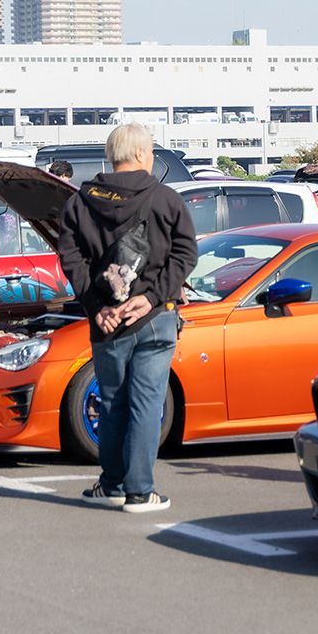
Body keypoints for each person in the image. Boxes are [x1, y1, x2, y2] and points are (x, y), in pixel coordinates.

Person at [59, 123, 198, 512]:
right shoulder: (166, 200)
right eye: (151, 152)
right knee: (146, 403)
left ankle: (113, 483)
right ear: (139, 154)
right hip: (155, 317)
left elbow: (72, 260)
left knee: (113, 402)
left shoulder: (80, 203)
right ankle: (140, 490)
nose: (152, 159)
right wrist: (152, 297)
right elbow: (186, 254)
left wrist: (96, 305)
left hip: (106, 321)